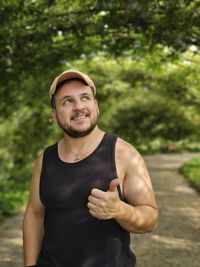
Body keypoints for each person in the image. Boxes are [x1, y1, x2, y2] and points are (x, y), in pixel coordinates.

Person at [23, 69, 158, 267]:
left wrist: (121, 210)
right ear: (54, 114)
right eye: (67, 101)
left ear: (96, 106)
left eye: (85, 98)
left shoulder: (124, 154)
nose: (78, 107)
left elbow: (150, 219)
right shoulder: (45, 159)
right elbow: (35, 214)